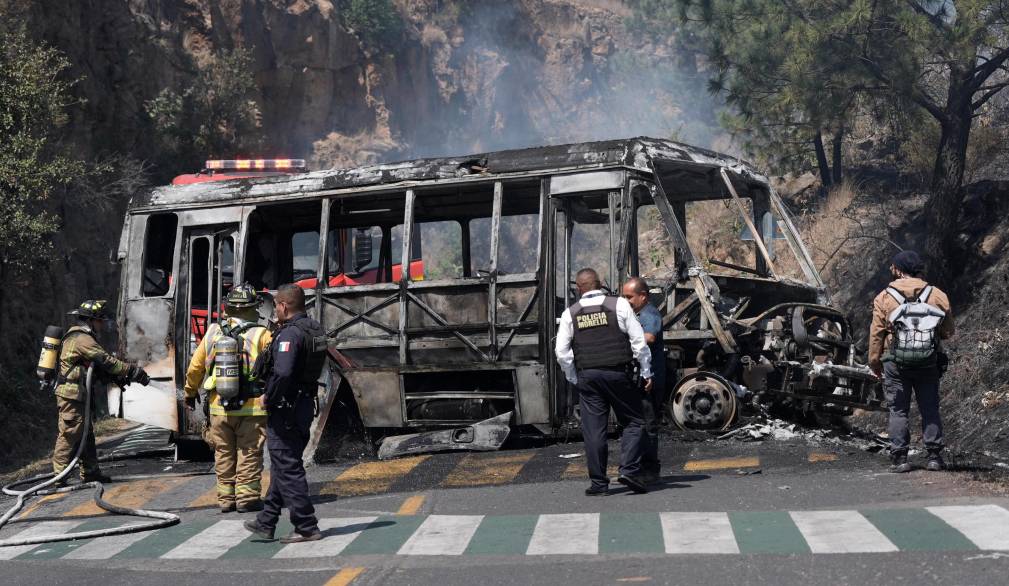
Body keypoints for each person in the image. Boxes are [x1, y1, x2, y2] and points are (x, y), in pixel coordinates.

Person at [556, 268, 653, 496]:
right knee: (635, 422)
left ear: (579, 289)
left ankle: (599, 484)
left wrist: (573, 377)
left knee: (594, 431)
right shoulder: (618, 304)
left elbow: (562, 352)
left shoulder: (571, 313)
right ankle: (628, 469)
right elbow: (639, 342)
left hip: (588, 377)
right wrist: (647, 372)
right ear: (599, 284)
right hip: (618, 373)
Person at [244, 284, 326, 543]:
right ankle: (266, 522)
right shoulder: (314, 329)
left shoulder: (290, 335)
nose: (275, 310)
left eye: (276, 305)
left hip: (286, 409)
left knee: (288, 467)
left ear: (283, 306)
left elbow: (283, 372)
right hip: (303, 407)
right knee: (284, 464)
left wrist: (269, 397)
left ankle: (306, 525)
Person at [184, 284, 272, 513]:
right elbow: (273, 369)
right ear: (254, 307)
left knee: (223, 453)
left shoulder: (213, 332)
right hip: (252, 408)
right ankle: (247, 498)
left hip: (218, 407)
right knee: (249, 452)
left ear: (228, 308)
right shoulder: (263, 334)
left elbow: (195, 368)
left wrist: (189, 392)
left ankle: (225, 500)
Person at [868, 250, 954, 473]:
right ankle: (934, 457)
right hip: (928, 361)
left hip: (895, 363)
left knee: (899, 410)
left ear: (898, 270)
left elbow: (877, 333)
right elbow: (948, 331)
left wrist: (874, 362)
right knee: (930, 408)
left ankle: (900, 458)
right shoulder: (937, 295)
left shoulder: (884, 297)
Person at [52, 300, 150, 485]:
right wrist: (132, 371)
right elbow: (106, 361)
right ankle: (58, 476)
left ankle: (90, 472)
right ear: (91, 320)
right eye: (100, 321)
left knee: (85, 432)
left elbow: (97, 367)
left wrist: (117, 378)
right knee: (71, 431)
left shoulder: (84, 337)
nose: (102, 324)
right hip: (71, 394)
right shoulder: (81, 338)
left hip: (79, 393)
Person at [622, 277, 665, 484]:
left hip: (651, 378)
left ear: (643, 296)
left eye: (629, 297)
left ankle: (650, 469)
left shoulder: (650, 313)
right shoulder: (635, 314)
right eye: (623, 297)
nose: (626, 301)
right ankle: (638, 467)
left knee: (649, 424)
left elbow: (649, 337)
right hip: (640, 376)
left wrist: (623, 340)